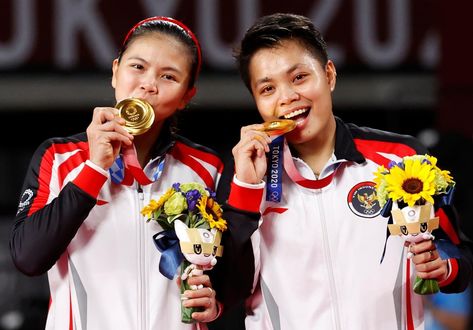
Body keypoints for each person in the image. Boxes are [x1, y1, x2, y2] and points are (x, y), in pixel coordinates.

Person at [212, 13, 473, 330]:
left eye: (299, 78)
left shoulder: (402, 158)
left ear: (329, 75)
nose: (287, 97)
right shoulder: (245, 176)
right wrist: (245, 193)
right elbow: (225, 292)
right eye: (267, 89)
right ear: (256, 101)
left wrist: (443, 267)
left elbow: (456, 252)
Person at [10, 16, 223, 329]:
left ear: (186, 96)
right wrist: (95, 167)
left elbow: (229, 276)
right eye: (137, 67)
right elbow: (28, 258)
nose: (148, 84)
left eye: (168, 76)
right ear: (115, 72)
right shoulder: (58, 158)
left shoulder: (205, 168)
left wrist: (215, 303)